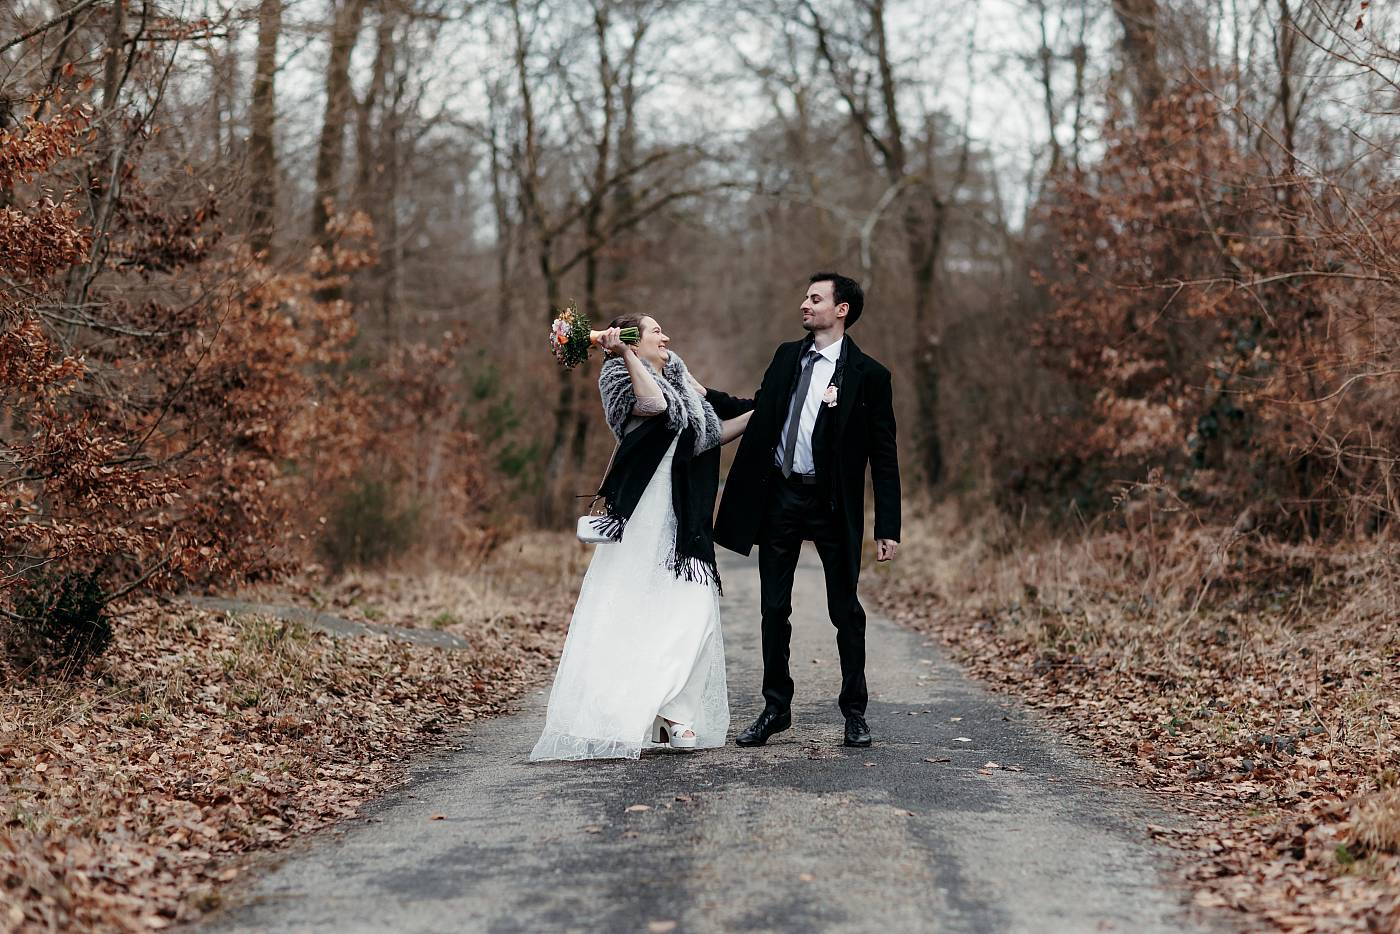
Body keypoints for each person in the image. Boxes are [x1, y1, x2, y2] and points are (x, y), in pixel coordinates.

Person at [529, 315, 752, 761]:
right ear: (633, 340)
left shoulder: (682, 381)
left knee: (697, 614)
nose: (666, 336)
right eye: (655, 332)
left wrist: (761, 413)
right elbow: (655, 406)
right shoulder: (617, 378)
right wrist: (625, 354)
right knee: (637, 612)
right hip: (645, 516)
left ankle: (676, 714)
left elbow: (711, 434)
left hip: (687, 520)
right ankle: (636, 710)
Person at [705, 272, 901, 748]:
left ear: (841, 310)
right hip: (781, 497)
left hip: (832, 505)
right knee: (773, 608)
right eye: (805, 297)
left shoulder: (870, 376)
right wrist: (694, 389)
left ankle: (854, 712)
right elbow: (757, 407)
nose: (804, 305)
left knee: (845, 611)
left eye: (815, 298)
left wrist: (888, 525)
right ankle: (776, 708)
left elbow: (884, 455)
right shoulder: (786, 356)